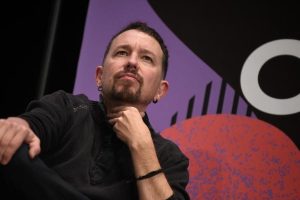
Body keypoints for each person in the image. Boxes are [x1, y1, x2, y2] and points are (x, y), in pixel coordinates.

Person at [0, 21, 189, 200]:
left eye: (146, 58)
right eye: (122, 52)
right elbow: (33, 123)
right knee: (10, 146)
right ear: (99, 76)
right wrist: (17, 126)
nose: (132, 62)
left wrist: (142, 146)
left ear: (160, 90)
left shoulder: (170, 157)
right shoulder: (69, 107)